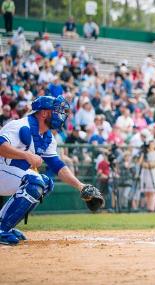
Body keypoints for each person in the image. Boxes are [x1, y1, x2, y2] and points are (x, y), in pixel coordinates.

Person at [0, 95, 103, 245]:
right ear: (43, 113)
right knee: (35, 182)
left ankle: (5, 225)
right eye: (57, 111)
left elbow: (57, 166)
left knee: (46, 183)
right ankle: (2, 229)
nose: (61, 115)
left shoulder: (47, 137)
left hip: (9, 175)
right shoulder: (20, 126)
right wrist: (26, 155)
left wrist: (81, 186)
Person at [139, 140, 155, 212]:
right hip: (146, 173)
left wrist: (149, 165)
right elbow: (141, 163)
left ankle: (152, 208)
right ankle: (148, 207)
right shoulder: (145, 154)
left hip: (153, 173)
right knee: (147, 192)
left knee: (153, 191)